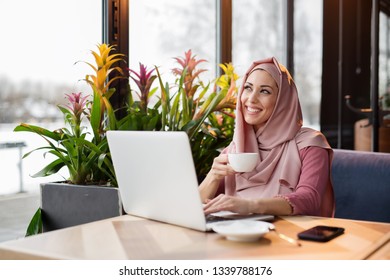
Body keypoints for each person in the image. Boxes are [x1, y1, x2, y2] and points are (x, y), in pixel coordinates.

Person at [200, 57, 334, 217]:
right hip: (236, 235)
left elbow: (309, 199)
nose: (251, 99)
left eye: (264, 91)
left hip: (291, 236)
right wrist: (213, 176)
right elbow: (196, 208)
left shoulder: (310, 144)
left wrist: (250, 205)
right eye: (248, 88)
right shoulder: (234, 150)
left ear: (282, 101)